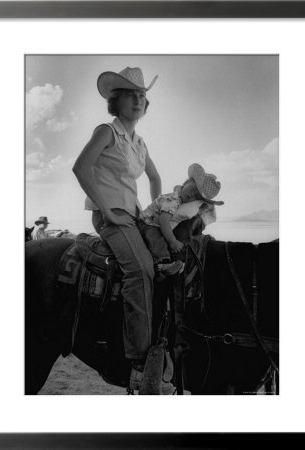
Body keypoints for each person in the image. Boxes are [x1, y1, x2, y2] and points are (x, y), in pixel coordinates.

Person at [72, 67, 174, 393]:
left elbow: (155, 179)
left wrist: (158, 216)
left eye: (143, 95)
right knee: (141, 270)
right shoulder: (107, 131)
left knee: (169, 260)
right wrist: (104, 210)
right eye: (131, 94)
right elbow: (81, 166)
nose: (139, 100)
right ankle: (139, 361)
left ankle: (167, 337)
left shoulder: (139, 142)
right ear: (116, 100)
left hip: (132, 215)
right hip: (111, 215)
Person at [137, 163, 224, 278]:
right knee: (156, 238)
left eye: (196, 197)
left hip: (154, 222)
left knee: (161, 236)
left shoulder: (180, 201)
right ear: (187, 182)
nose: (191, 196)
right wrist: (172, 241)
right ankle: (164, 262)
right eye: (193, 189)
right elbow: (164, 221)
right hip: (146, 223)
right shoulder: (173, 200)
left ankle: (174, 263)